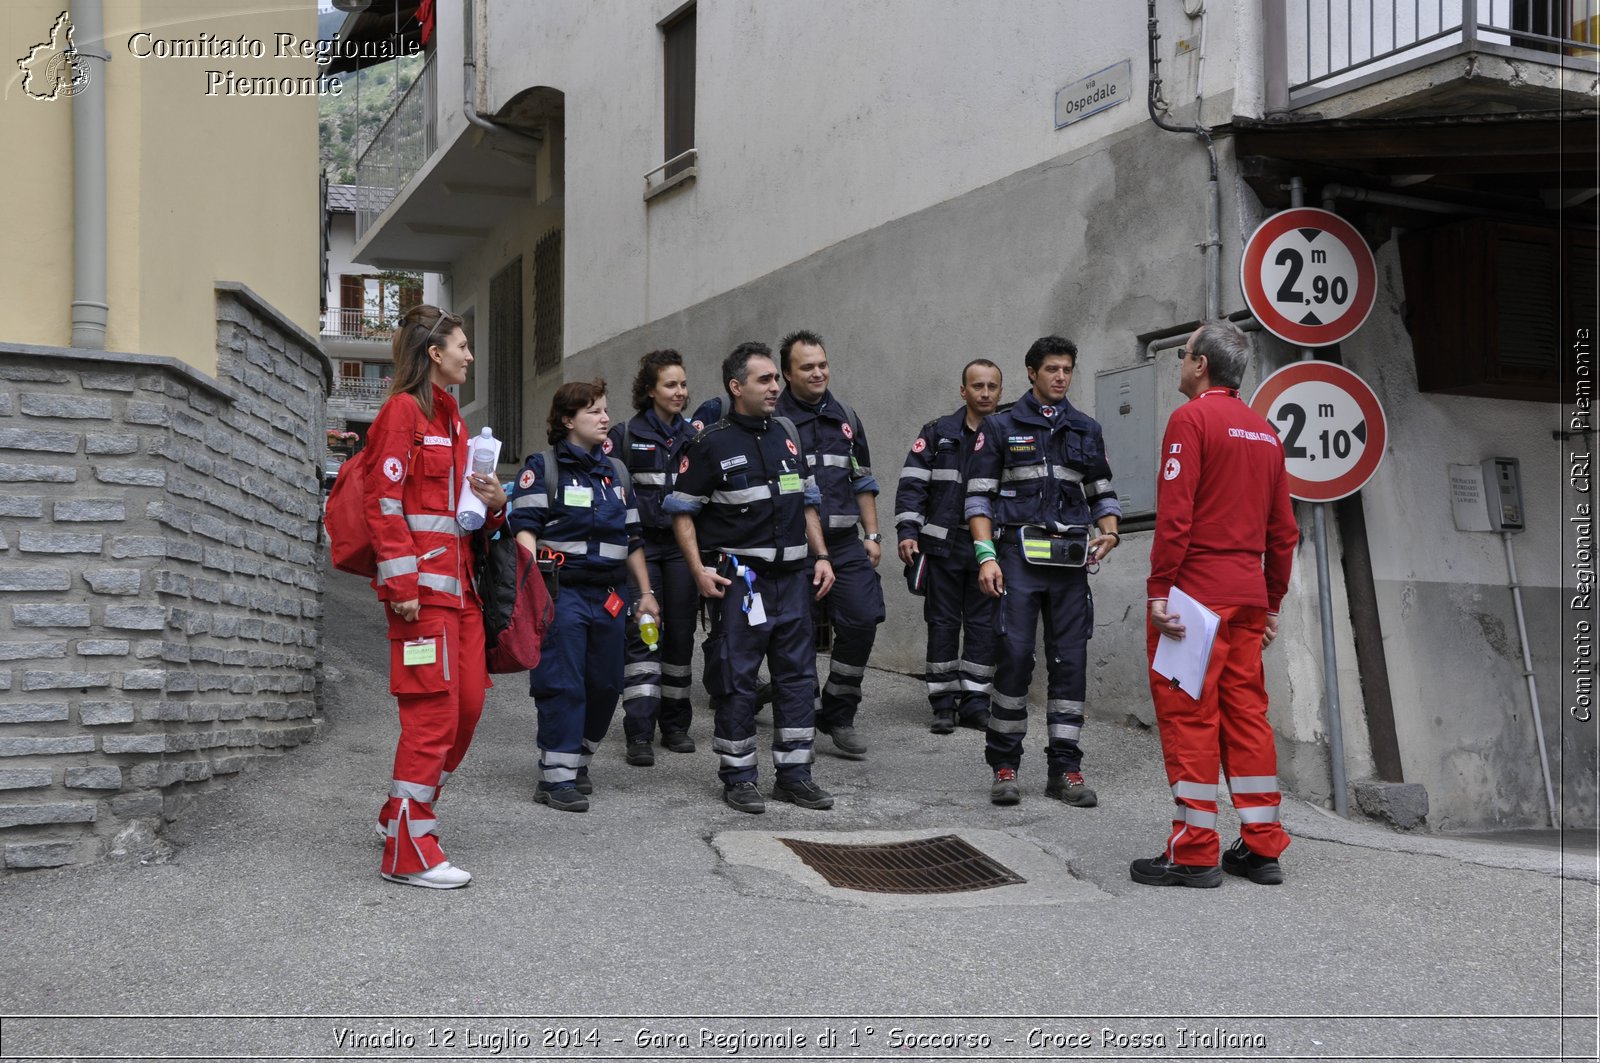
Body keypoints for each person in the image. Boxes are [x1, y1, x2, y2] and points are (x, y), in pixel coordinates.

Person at [1130, 321, 1297, 888]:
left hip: (1195, 600)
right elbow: (1283, 533)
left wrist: (1158, 590)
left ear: (1200, 364)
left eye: (1183, 354)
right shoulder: (1265, 433)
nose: (1180, 362)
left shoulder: (1191, 419)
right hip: (1247, 594)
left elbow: (1175, 517)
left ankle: (1195, 851)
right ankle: (1261, 846)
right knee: (1248, 717)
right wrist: (1270, 602)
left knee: (1190, 717)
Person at [365, 304, 507, 889]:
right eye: (463, 346)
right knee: (432, 717)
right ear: (435, 354)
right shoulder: (403, 412)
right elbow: (384, 502)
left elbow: (460, 517)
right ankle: (408, 846)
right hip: (420, 598)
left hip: (461, 593)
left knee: (466, 709)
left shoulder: (450, 416)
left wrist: (494, 502)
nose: (470, 356)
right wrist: (400, 586)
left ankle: (399, 811)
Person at [666, 341, 837, 814]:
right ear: (735, 387)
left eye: (776, 379)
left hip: (794, 580)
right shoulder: (709, 444)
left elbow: (807, 501)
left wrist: (821, 556)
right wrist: (698, 569)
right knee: (738, 679)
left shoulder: (786, 434)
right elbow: (681, 513)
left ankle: (795, 775)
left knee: (799, 679)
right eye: (765, 380)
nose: (775, 387)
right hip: (743, 584)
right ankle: (739, 776)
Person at [965, 336, 1120, 807]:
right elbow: (978, 497)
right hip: (1017, 558)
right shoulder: (999, 427)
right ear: (1031, 372)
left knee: (1070, 663)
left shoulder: (1086, 428)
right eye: (1052, 369)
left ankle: (1066, 770)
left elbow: (1101, 490)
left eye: (1067, 370)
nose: (1060, 377)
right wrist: (986, 556)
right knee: (1013, 658)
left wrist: (1110, 532)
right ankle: (1005, 765)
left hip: (1070, 563)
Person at [507, 380, 657, 813]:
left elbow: (632, 539)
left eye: (605, 410)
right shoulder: (544, 467)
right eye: (594, 411)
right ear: (568, 420)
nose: (605, 418)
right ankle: (555, 779)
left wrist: (646, 593)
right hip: (562, 593)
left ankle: (578, 758)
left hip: (610, 597)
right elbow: (525, 529)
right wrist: (530, 585)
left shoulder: (617, 473)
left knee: (607, 683)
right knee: (563, 683)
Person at [774, 329, 884, 757]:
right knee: (795, 632)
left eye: (822, 364)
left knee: (862, 617)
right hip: (791, 548)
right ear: (787, 373)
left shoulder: (847, 417)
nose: (818, 372)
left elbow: (863, 479)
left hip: (844, 543)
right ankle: (801, 710)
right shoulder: (774, 419)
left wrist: (872, 536)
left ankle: (838, 708)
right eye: (807, 367)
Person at [894, 359, 1004, 734]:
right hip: (942, 545)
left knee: (983, 625)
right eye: (978, 386)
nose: (985, 393)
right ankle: (943, 703)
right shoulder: (938, 431)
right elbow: (912, 483)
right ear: (964, 391)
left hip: (987, 546)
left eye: (992, 386)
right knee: (941, 623)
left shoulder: (1007, 433)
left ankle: (975, 703)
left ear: (1000, 392)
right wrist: (907, 531)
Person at [608, 350, 700, 766]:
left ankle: (676, 726)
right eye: (670, 385)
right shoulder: (626, 434)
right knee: (645, 633)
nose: (679, 392)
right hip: (641, 549)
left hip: (682, 550)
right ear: (650, 390)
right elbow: (611, 489)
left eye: (682, 384)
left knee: (680, 637)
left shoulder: (697, 435)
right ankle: (640, 732)